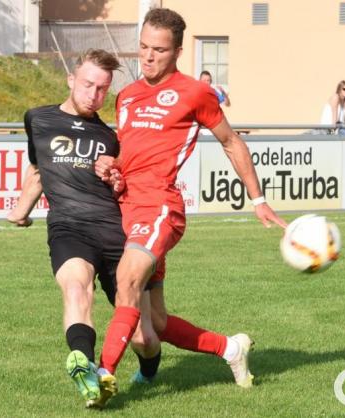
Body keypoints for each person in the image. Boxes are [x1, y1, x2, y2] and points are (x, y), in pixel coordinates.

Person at [93, 8, 287, 408]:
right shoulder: (126, 97)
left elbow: (231, 142)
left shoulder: (194, 93)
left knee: (127, 281)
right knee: (155, 328)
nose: (148, 57)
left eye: (158, 50)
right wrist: (112, 166)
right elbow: (127, 153)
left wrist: (259, 200)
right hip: (125, 209)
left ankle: (101, 373)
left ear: (178, 52)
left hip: (160, 209)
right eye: (143, 47)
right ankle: (230, 348)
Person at [6, 49, 161, 408]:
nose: (94, 94)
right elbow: (39, 169)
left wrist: (116, 176)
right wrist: (20, 211)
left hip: (116, 234)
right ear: (71, 79)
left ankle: (149, 370)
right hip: (69, 228)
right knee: (76, 289)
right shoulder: (38, 119)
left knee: (145, 336)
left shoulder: (111, 138)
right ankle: (85, 366)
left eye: (103, 89)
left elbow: (128, 186)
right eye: (89, 84)